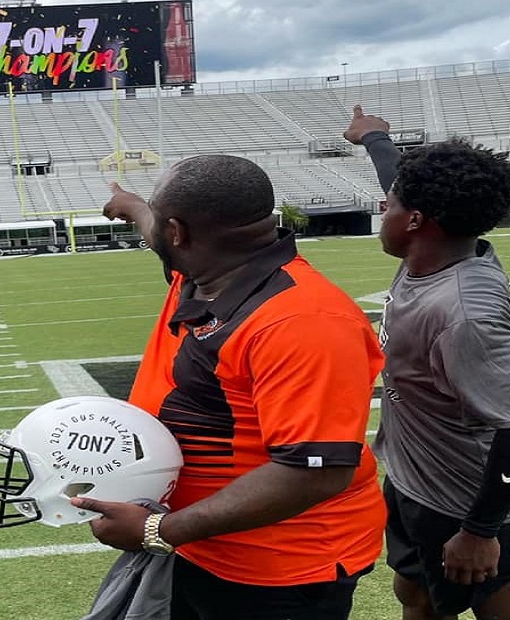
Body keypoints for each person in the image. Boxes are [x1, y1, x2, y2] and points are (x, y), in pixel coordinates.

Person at [71, 155, 387, 620]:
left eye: (160, 221)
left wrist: (160, 530)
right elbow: (162, 236)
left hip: (282, 570)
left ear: (177, 232)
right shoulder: (207, 270)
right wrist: (135, 206)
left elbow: (315, 471)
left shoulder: (303, 320)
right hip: (203, 547)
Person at [344, 106, 510, 620]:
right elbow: (403, 183)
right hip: (417, 478)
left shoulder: (463, 313)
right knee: (416, 595)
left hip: (470, 499)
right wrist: (374, 138)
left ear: (415, 221)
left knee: (499, 610)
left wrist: (480, 532)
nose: (382, 206)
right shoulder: (436, 250)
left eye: (388, 204)